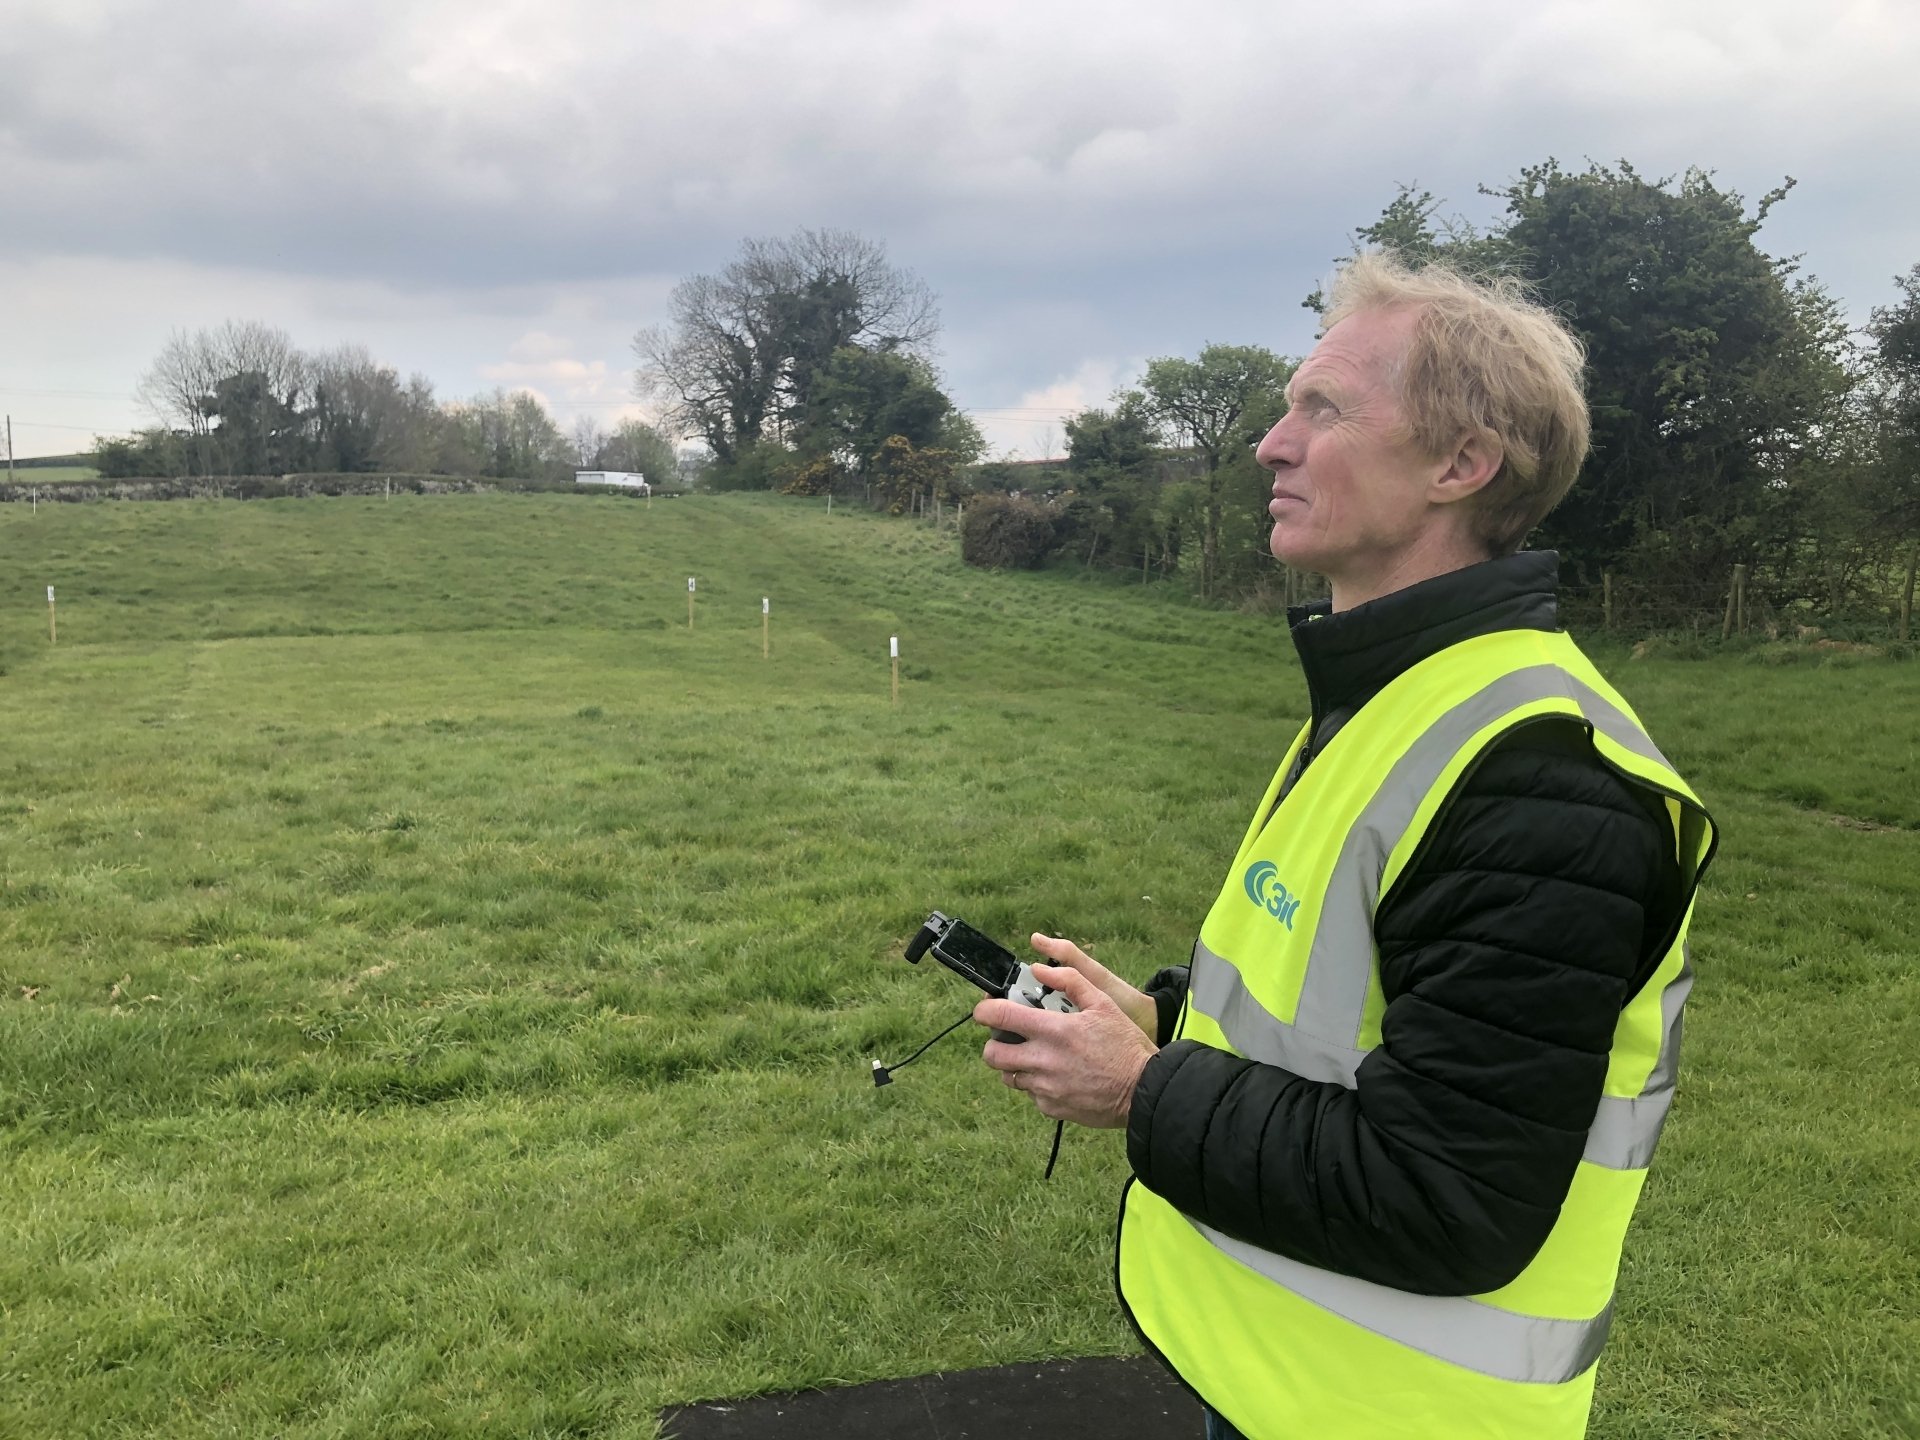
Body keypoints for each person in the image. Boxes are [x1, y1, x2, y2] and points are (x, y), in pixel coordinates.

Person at [974, 252, 1718, 1440]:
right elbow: (1357, 1018)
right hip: (1280, 1387)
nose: (1271, 443)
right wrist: (1171, 1020)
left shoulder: (1541, 778)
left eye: (1322, 408)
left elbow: (1450, 1192)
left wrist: (1144, 1088)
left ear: (1460, 465)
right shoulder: (1391, 698)